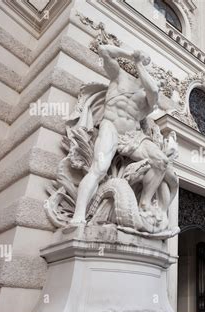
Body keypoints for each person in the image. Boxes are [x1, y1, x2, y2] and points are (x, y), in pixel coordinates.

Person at [70, 45, 173, 224]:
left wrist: (139, 63)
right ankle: (78, 215)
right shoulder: (120, 77)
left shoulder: (150, 101)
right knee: (99, 168)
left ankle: (144, 204)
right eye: (158, 79)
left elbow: (154, 91)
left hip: (133, 135)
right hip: (110, 127)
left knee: (161, 162)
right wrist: (131, 54)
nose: (160, 84)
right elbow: (104, 51)